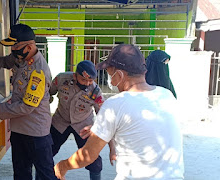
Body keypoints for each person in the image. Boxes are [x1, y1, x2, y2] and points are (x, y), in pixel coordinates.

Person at [54, 44, 184, 180]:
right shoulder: (167, 95)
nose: (110, 80)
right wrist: (102, 127)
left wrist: (62, 166)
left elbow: (88, 155)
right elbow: (142, 127)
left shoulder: (114, 105)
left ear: (120, 75)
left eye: (110, 74)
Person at [0, 24, 58, 180]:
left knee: (45, 175)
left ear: (29, 47)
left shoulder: (38, 71)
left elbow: (27, 107)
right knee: (21, 173)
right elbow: (4, 61)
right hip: (19, 130)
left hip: (36, 133)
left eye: (15, 46)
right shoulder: (21, 58)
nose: (12, 50)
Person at [47, 60, 106, 180]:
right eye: (84, 80)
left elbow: (103, 114)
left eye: (91, 80)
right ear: (75, 75)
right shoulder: (61, 79)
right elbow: (48, 94)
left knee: (92, 158)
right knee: (46, 152)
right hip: (60, 122)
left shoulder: (95, 91)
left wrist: (95, 128)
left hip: (83, 125)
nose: (88, 83)